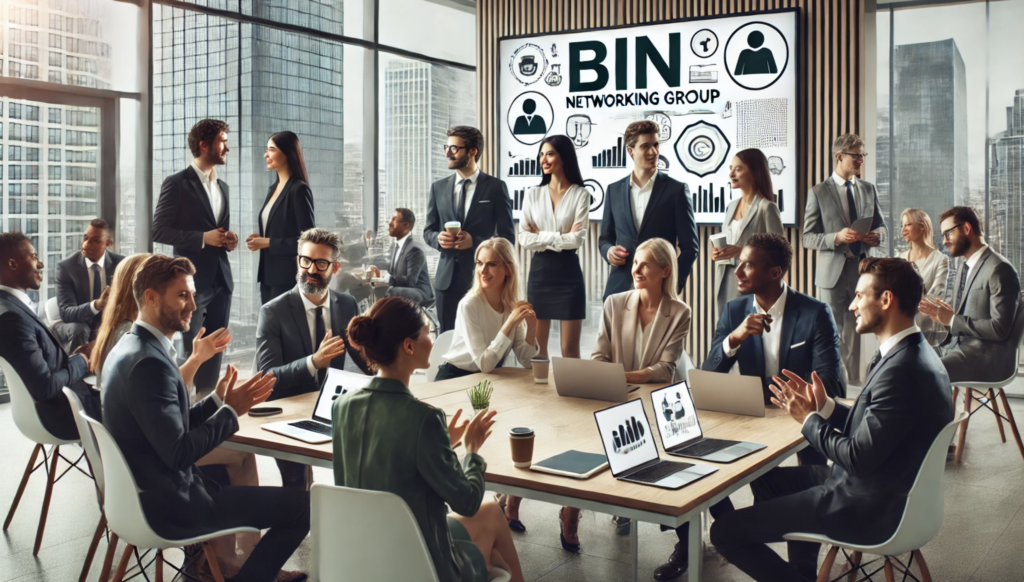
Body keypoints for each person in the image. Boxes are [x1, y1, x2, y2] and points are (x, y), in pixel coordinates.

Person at [709, 258, 953, 582]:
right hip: (884, 487)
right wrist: (824, 407)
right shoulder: (913, 353)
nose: (851, 305)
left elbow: (856, 457)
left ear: (886, 299)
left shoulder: (900, 371)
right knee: (766, 481)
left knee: (724, 532)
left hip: (866, 506)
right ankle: (801, 570)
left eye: (859, 296)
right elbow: (877, 421)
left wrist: (808, 419)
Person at [101, 254, 309, 582]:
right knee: (302, 507)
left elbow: (170, 422)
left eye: (193, 295)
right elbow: (180, 452)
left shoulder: (130, 347)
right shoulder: (149, 365)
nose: (192, 305)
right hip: (171, 507)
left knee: (234, 466)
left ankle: (222, 566)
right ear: (151, 298)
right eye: (182, 295)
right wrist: (230, 412)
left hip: (144, 494)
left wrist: (216, 402)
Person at [654, 233, 844, 580]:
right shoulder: (735, 310)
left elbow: (834, 383)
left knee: (811, 460)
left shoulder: (815, 313)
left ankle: (802, 567)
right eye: (739, 263)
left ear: (774, 273)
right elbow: (708, 374)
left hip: (800, 415)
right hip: (752, 414)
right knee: (697, 451)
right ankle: (730, 531)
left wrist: (800, 397)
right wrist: (734, 340)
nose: (737, 271)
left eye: (747, 264)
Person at [334, 296, 525, 582]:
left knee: (487, 549)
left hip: (362, 556)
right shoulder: (424, 418)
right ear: (408, 345)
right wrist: (472, 452)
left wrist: (442, 443)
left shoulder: (342, 406)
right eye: (427, 332)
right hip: (417, 561)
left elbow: (386, 464)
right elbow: (467, 502)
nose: (432, 340)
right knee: (490, 513)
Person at [586, 237, 692, 546]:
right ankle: (588, 506)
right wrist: (619, 378)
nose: (637, 269)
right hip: (618, 398)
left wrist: (617, 375)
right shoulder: (615, 303)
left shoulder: (680, 311)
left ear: (665, 271)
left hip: (660, 403)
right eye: (635, 262)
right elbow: (598, 359)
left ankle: (683, 537)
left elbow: (665, 370)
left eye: (645, 264)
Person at [256, 228, 371, 489]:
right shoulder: (273, 312)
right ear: (298, 261)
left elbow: (365, 358)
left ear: (336, 267)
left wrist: (389, 364)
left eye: (321, 263)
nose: (311, 269)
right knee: (297, 484)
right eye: (305, 260)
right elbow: (268, 376)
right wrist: (314, 362)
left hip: (328, 409)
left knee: (364, 459)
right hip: (283, 409)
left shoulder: (347, 305)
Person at [153, 118, 238, 396]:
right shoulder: (176, 183)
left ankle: (206, 400)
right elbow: (159, 230)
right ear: (204, 145)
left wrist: (227, 240)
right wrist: (202, 238)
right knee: (194, 347)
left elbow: (217, 230)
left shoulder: (223, 186)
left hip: (222, 281)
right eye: (222, 141)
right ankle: (183, 403)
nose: (227, 147)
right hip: (192, 283)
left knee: (217, 344)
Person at [802, 133, 886, 383]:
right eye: (856, 155)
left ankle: (854, 389)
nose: (861, 159)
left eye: (863, 155)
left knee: (856, 333)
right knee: (832, 334)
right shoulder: (818, 192)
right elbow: (807, 237)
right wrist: (836, 237)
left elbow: (882, 226)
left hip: (861, 272)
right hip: (831, 275)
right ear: (839, 156)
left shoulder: (868, 188)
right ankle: (833, 386)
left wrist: (876, 236)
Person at [0, 232, 101, 439]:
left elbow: (40, 366)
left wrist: (74, 358)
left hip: (55, 406)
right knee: (137, 405)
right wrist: (81, 362)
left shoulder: (10, 307)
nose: (41, 264)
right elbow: (44, 387)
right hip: (63, 414)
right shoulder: (12, 318)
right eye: (34, 257)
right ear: (12, 264)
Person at [423, 126, 516, 333]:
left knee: (485, 339)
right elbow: (428, 230)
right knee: (447, 340)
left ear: (472, 151)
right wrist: (438, 238)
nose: (448, 153)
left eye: (454, 148)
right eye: (447, 147)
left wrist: (476, 242)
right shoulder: (437, 188)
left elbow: (507, 238)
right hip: (445, 282)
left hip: (483, 280)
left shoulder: (495, 187)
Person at [919, 206, 1021, 383]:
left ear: (966, 229)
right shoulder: (963, 268)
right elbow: (967, 316)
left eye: (948, 233)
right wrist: (946, 317)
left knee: (921, 374)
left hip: (985, 360)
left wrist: (952, 320)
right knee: (904, 362)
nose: (944, 241)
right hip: (958, 348)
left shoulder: (999, 269)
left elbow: (1000, 329)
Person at [599, 120, 698, 298]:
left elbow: (690, 247)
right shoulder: (613, 190)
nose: (653, 152)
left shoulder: (677, 191)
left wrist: (673, 285)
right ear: (630, 150)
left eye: (656, 145)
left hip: (659, 291)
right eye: (645, 146)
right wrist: (609, 251)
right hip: (618, 289)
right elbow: (605, 238)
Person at [518, 134, 589, 359]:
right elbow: (523, 238)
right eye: (541, 154)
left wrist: (542, 235)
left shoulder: (581, 194)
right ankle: (537, 392)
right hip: (540, 273)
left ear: (564, 156)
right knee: (538, 350)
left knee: (569, 350)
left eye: (549, 153)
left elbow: (578, 239)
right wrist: (560, 237)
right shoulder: (532, 194)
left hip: (569, 274)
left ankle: (573, 392)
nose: (543, 159)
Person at [435, 237, 538, 381]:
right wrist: (510, 323)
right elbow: (485, 364)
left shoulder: (511, 306)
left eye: (492, 264)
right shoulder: (468, 305)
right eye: (479, 263)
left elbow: (528, 362)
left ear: (508, 269)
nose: (483, 270)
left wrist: (532, 327)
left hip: (488, 379)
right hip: (455, 378)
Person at [246, 131, 316, 305]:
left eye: (271, 149)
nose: (266, 154)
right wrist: (261, 238)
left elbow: (308, 242)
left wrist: (268, 242)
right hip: (267, 278)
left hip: (287, 280)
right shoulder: (273, 189)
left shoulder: (299, 190)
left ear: (287, 153)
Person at [713, 149, 784, 317]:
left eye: (738, 169)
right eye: (730, 168)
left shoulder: (767, 208)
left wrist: (742, 252)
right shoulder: (731, 206)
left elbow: (780, 253)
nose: (731, 174)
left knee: (750, 336)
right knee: (727, 336)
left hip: (753, 284)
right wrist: (719, 253)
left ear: (754, 171)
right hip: (725, 280)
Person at [53, 218, 124, 353]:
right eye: (85, 238)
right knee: (80, 329)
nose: (86, 244)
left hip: (108, 324)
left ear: (108, 243)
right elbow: (67, 313)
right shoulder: (67, 267)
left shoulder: (120, 264)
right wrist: (97, 305)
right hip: (78, 325)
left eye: (95, 241)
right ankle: (77, 369)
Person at [897, 208, 949, 347]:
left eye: (907, 224)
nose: (903, 230)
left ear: (922, 226)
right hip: (901, 328)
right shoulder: (900, 258)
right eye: (902, 226)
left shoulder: (940, 259)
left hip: (927, 331)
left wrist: (907, 306)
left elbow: (937, 293)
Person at [369, 208, 435, 307]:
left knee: (392, 290)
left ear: (406, 225)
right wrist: (372, 265)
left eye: (394, 219)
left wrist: (389, 279)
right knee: (378, 288)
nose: (390, 223)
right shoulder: (395, 246)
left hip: (420, 293)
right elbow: (385, 262)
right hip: (403, 289)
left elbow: (411, 281)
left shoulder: (415, 249)